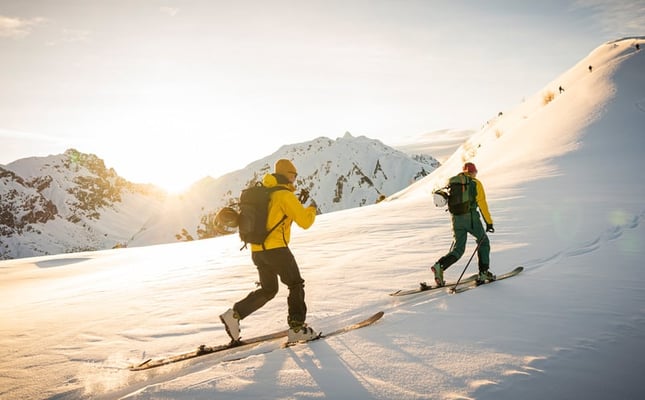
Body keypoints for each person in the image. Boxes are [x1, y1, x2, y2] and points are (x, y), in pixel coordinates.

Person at [219, 159, 319, 343]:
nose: (295, 179)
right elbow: (305, 222)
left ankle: (235, 314)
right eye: (294, 175)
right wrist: (311, 209)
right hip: (278, 250)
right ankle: (297, 327)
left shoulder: (265, 194)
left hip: (258, 250)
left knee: (268, 289)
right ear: (287, 175)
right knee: (295, 284)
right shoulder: (284, 195)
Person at [431, 162, 495, 286]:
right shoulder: (475, 183)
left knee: (458, 249)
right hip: (470, 219)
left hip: (456, 220)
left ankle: (440, 266)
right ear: (473, 172)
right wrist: (489, 223)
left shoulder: (453, 183)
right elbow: (482, 205)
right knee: (483, 241)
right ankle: (484, 272)